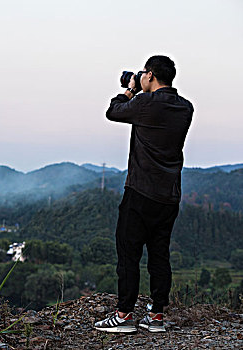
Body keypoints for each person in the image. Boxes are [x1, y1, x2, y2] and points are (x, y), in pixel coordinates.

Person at [94, 55, 194, 333]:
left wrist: (130, 89)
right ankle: (156, 316)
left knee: (128, 253)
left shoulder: (144, 103)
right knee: (159, 255)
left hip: (140, 192)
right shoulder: (185, 107)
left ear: (149, 75)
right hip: (169, 196)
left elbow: (113, 111)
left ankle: (125, 315)